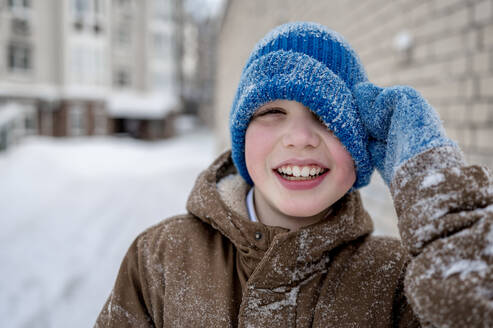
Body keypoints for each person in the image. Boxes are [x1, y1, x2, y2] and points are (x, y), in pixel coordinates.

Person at [95, 22, 493, 327]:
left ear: (361, 144)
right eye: (271, 112)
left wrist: (437, 191)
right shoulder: (160, 257)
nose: (300, 138)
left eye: (326, 116)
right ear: (241, 136)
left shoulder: (398, 281)